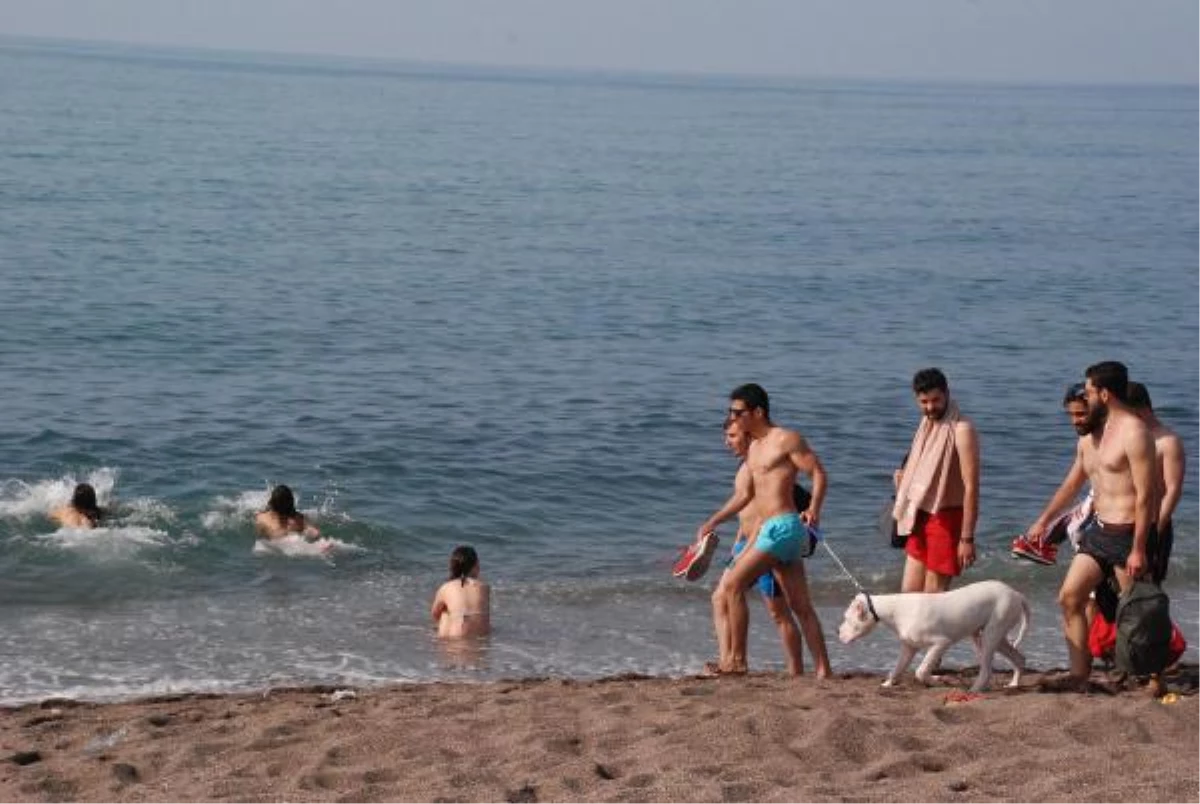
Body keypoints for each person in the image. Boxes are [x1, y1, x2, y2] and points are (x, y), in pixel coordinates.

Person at [1026, 361, 1158, 689]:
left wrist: (1140, 547)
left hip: (1129, 532)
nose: (1085, 396)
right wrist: (1043, 521)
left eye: (1088, 391)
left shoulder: (1135, 432)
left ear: (1104, 393)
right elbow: (1071, 485)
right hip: (1099, 530)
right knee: (1070, 597)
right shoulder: (1090, 437)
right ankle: (1079, 674)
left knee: (1137, 610)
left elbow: (1147, 496)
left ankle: (1152, 677)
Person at [701, 384, 831, 678]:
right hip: (775, 532)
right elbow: (745, 496)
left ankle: (735, 662)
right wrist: (714, 520)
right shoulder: (754, 448)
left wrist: (815, 510)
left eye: (738, 412)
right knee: (800, 606)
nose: (732, 417)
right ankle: (824, 672)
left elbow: (818, 473)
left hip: (783, 526)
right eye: (730, 412)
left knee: (732, 585)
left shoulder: (785, 438)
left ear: (757, 412)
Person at [709, 418, 808, 676]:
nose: (727, 442)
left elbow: (766, 510)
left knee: (778, 612)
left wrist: (716, 523)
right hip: (746, 541)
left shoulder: (760, 465)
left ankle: (795, 670)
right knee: (720, 597)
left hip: (765, 542)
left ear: (748, 435)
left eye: (732, 436)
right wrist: (736, 545)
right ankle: (727, 661)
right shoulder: (746, 465)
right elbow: (747, 511)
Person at [893, 368, 980, 593]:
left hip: (948, 518)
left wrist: (967, 538)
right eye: (924, 402)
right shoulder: (926, 425)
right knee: (908, 595)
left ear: (947, 394)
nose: (930, 407)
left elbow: (971, 487)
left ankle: (964, 627)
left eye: (936, 400)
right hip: (920, 514)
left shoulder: (962, 430)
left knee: (933, 602)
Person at [1127, 381, 1186, 585]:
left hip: (1154, 522)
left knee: (1145, 591)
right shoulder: (1130, 437)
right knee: (1103, 593)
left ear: (1139, 408)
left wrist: (1155, 530)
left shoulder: (1167, 442)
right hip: (1121, 522)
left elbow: (1173, 490)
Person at [430, 545, 491, 638]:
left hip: (454, 640)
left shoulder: (446, 587)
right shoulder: (484, 587)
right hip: (480, 641)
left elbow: (435, 615)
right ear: (476, 565)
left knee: (445, 613)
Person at [254, 485, 320, 541]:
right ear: (291, 502)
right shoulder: (299, 519)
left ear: (272, 503)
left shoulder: (261, 518)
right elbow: (315, 533)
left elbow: (315, 532)